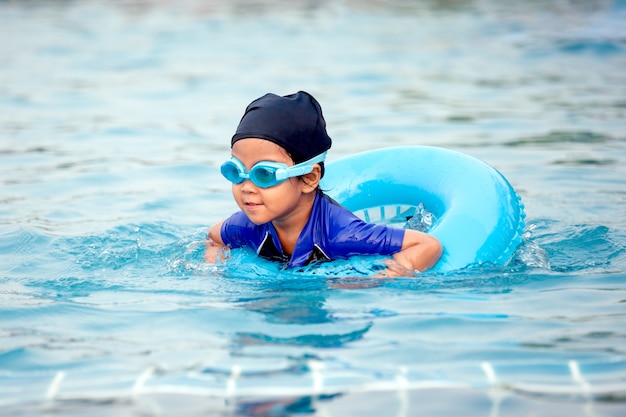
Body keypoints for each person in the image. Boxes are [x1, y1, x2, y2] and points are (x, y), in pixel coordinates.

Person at [206, 91, 442, 275]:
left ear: (308, 178)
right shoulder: (247, 226)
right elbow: (215, 236)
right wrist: (216, 264)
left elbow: (427, 244)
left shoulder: (342, 233)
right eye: (236, 172)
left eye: (264, 174)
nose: (246, 187)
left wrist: (395, 271)